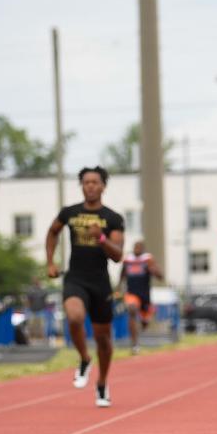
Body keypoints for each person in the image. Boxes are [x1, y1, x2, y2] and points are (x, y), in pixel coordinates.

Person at [45, 166, 125, 407]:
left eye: (95, 182)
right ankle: (84, 358)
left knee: (103, 339)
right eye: (86, 182)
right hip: (75, 277)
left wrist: (101, 238)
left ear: (103, 186)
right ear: (82, 185)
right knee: (75, 317)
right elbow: (53, 232)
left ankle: (102, 383)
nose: (90, 186)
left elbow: (118, 255)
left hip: (100, 282)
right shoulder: (70, 212)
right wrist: (50, 262)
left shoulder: (113, 218)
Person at [119, 241, 164, 354]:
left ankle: (144, 321)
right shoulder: (128, 260)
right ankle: (134, 345)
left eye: (139, 247)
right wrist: (118, 288)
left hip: (144, 295)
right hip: (131, 293)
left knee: (144, 322)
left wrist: (153, 271)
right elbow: (122, 274)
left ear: (143, 249)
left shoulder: (147, 259)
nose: (137, 249)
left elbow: (160, 276)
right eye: (135, 247)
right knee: (132, 310)